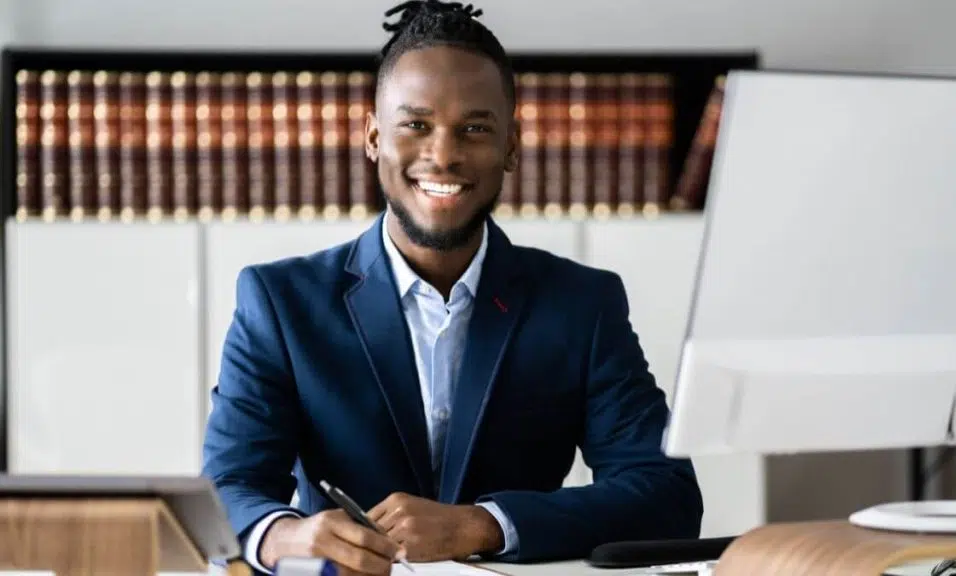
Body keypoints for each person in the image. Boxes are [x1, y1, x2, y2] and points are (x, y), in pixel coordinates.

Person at [201, 1, 703, 574]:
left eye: (474, 128)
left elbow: (667, 494)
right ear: (372, 136)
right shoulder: (280, 301)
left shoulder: (582, 304)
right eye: (416, 125)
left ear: (511, 145)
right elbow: (226, 491)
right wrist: (284, 536)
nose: (443, 155)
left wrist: (484, 524)